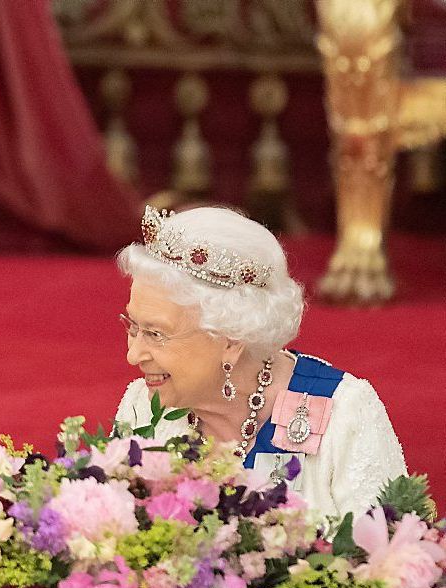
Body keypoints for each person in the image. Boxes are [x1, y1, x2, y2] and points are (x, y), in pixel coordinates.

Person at [114, 205, 406, 519]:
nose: (134, 355)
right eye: (133, 326)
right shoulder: (143, 407)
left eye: (156, 333)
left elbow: (387, 558)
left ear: (230, 340)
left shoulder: (344, 414)